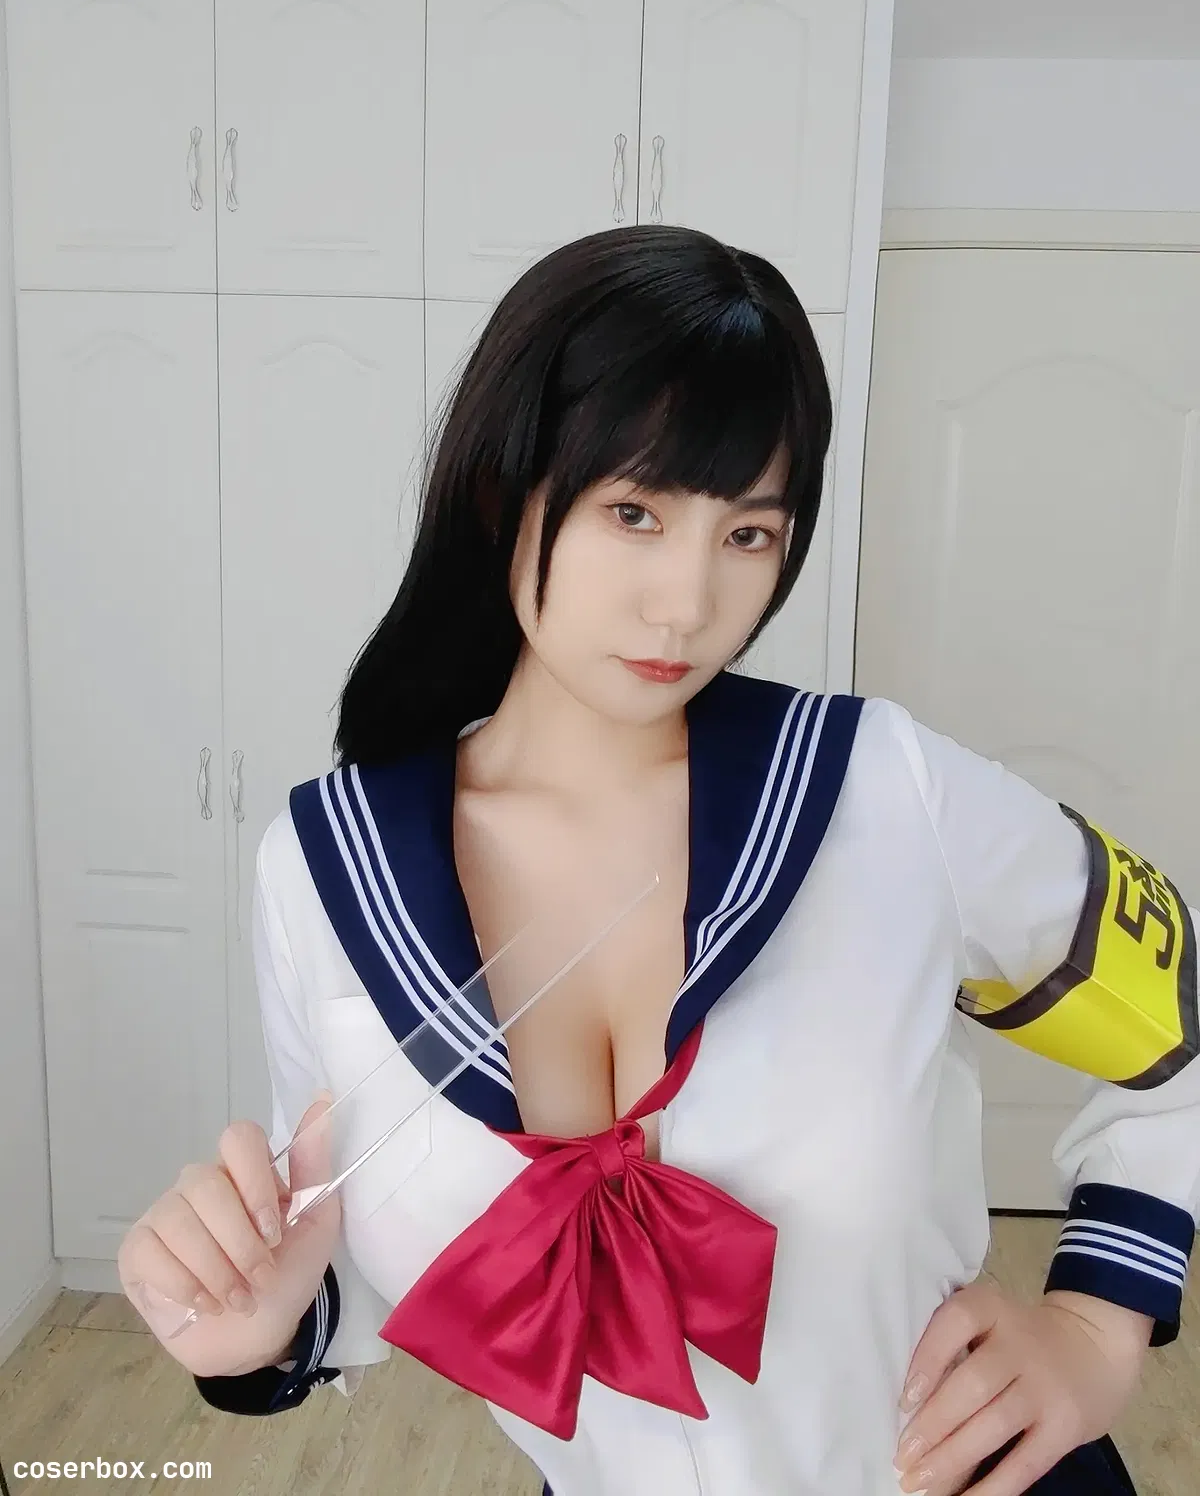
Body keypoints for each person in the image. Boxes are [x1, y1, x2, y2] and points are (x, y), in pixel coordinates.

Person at [118, 224, 1199, 1496]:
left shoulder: (881, 792)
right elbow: (357, 1241)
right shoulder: (325, 875)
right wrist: (255, 1325)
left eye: (748, 533)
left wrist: (1097, 1324)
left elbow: (1177, 1025)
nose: (689, 604)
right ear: (501, 492)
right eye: (633, 513)